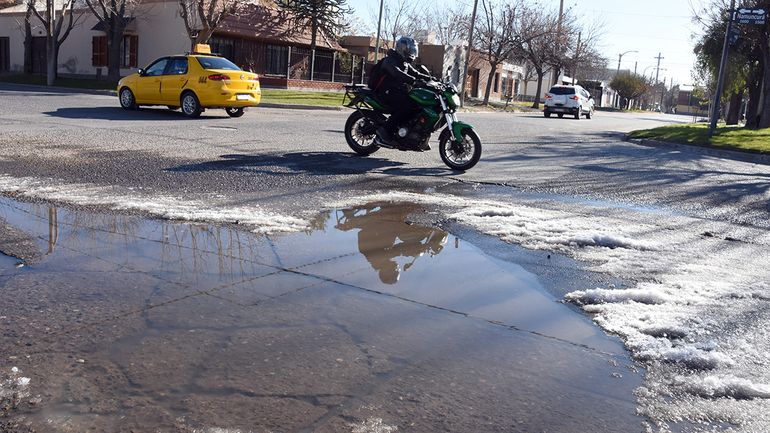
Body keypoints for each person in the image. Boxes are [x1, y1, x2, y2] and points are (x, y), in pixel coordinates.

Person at [373, 36, 433, 150]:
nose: (412, 53)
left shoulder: (404, 63)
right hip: (386, 92)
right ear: (402, 49)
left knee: (417, 106)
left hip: (398, 91)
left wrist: (432, 79)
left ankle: (412, 135)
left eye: (413, 51)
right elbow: (397, 73)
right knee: (406, 107)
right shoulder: (390, 60)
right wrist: (414, 81)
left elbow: (416, 73)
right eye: (410, 50)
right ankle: (384, 131)